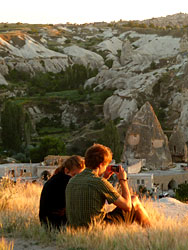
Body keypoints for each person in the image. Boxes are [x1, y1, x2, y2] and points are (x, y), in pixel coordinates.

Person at [65, 144, 151, 229]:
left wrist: (104, 178)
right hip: (97, 228)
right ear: (100, 164)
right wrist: (123, 180)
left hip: (75, 228)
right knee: (134, 200)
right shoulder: (99, 182)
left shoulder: (72, 180)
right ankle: (150, 231)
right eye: (105, 165)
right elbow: (127, 206)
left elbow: (93, 187)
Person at [39, 155, 85, 230]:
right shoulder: (65, 181)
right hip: (57, 224)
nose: (77, 178)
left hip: (46, 224)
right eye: (75, 175)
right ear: (66, 171)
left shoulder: (56, 178)